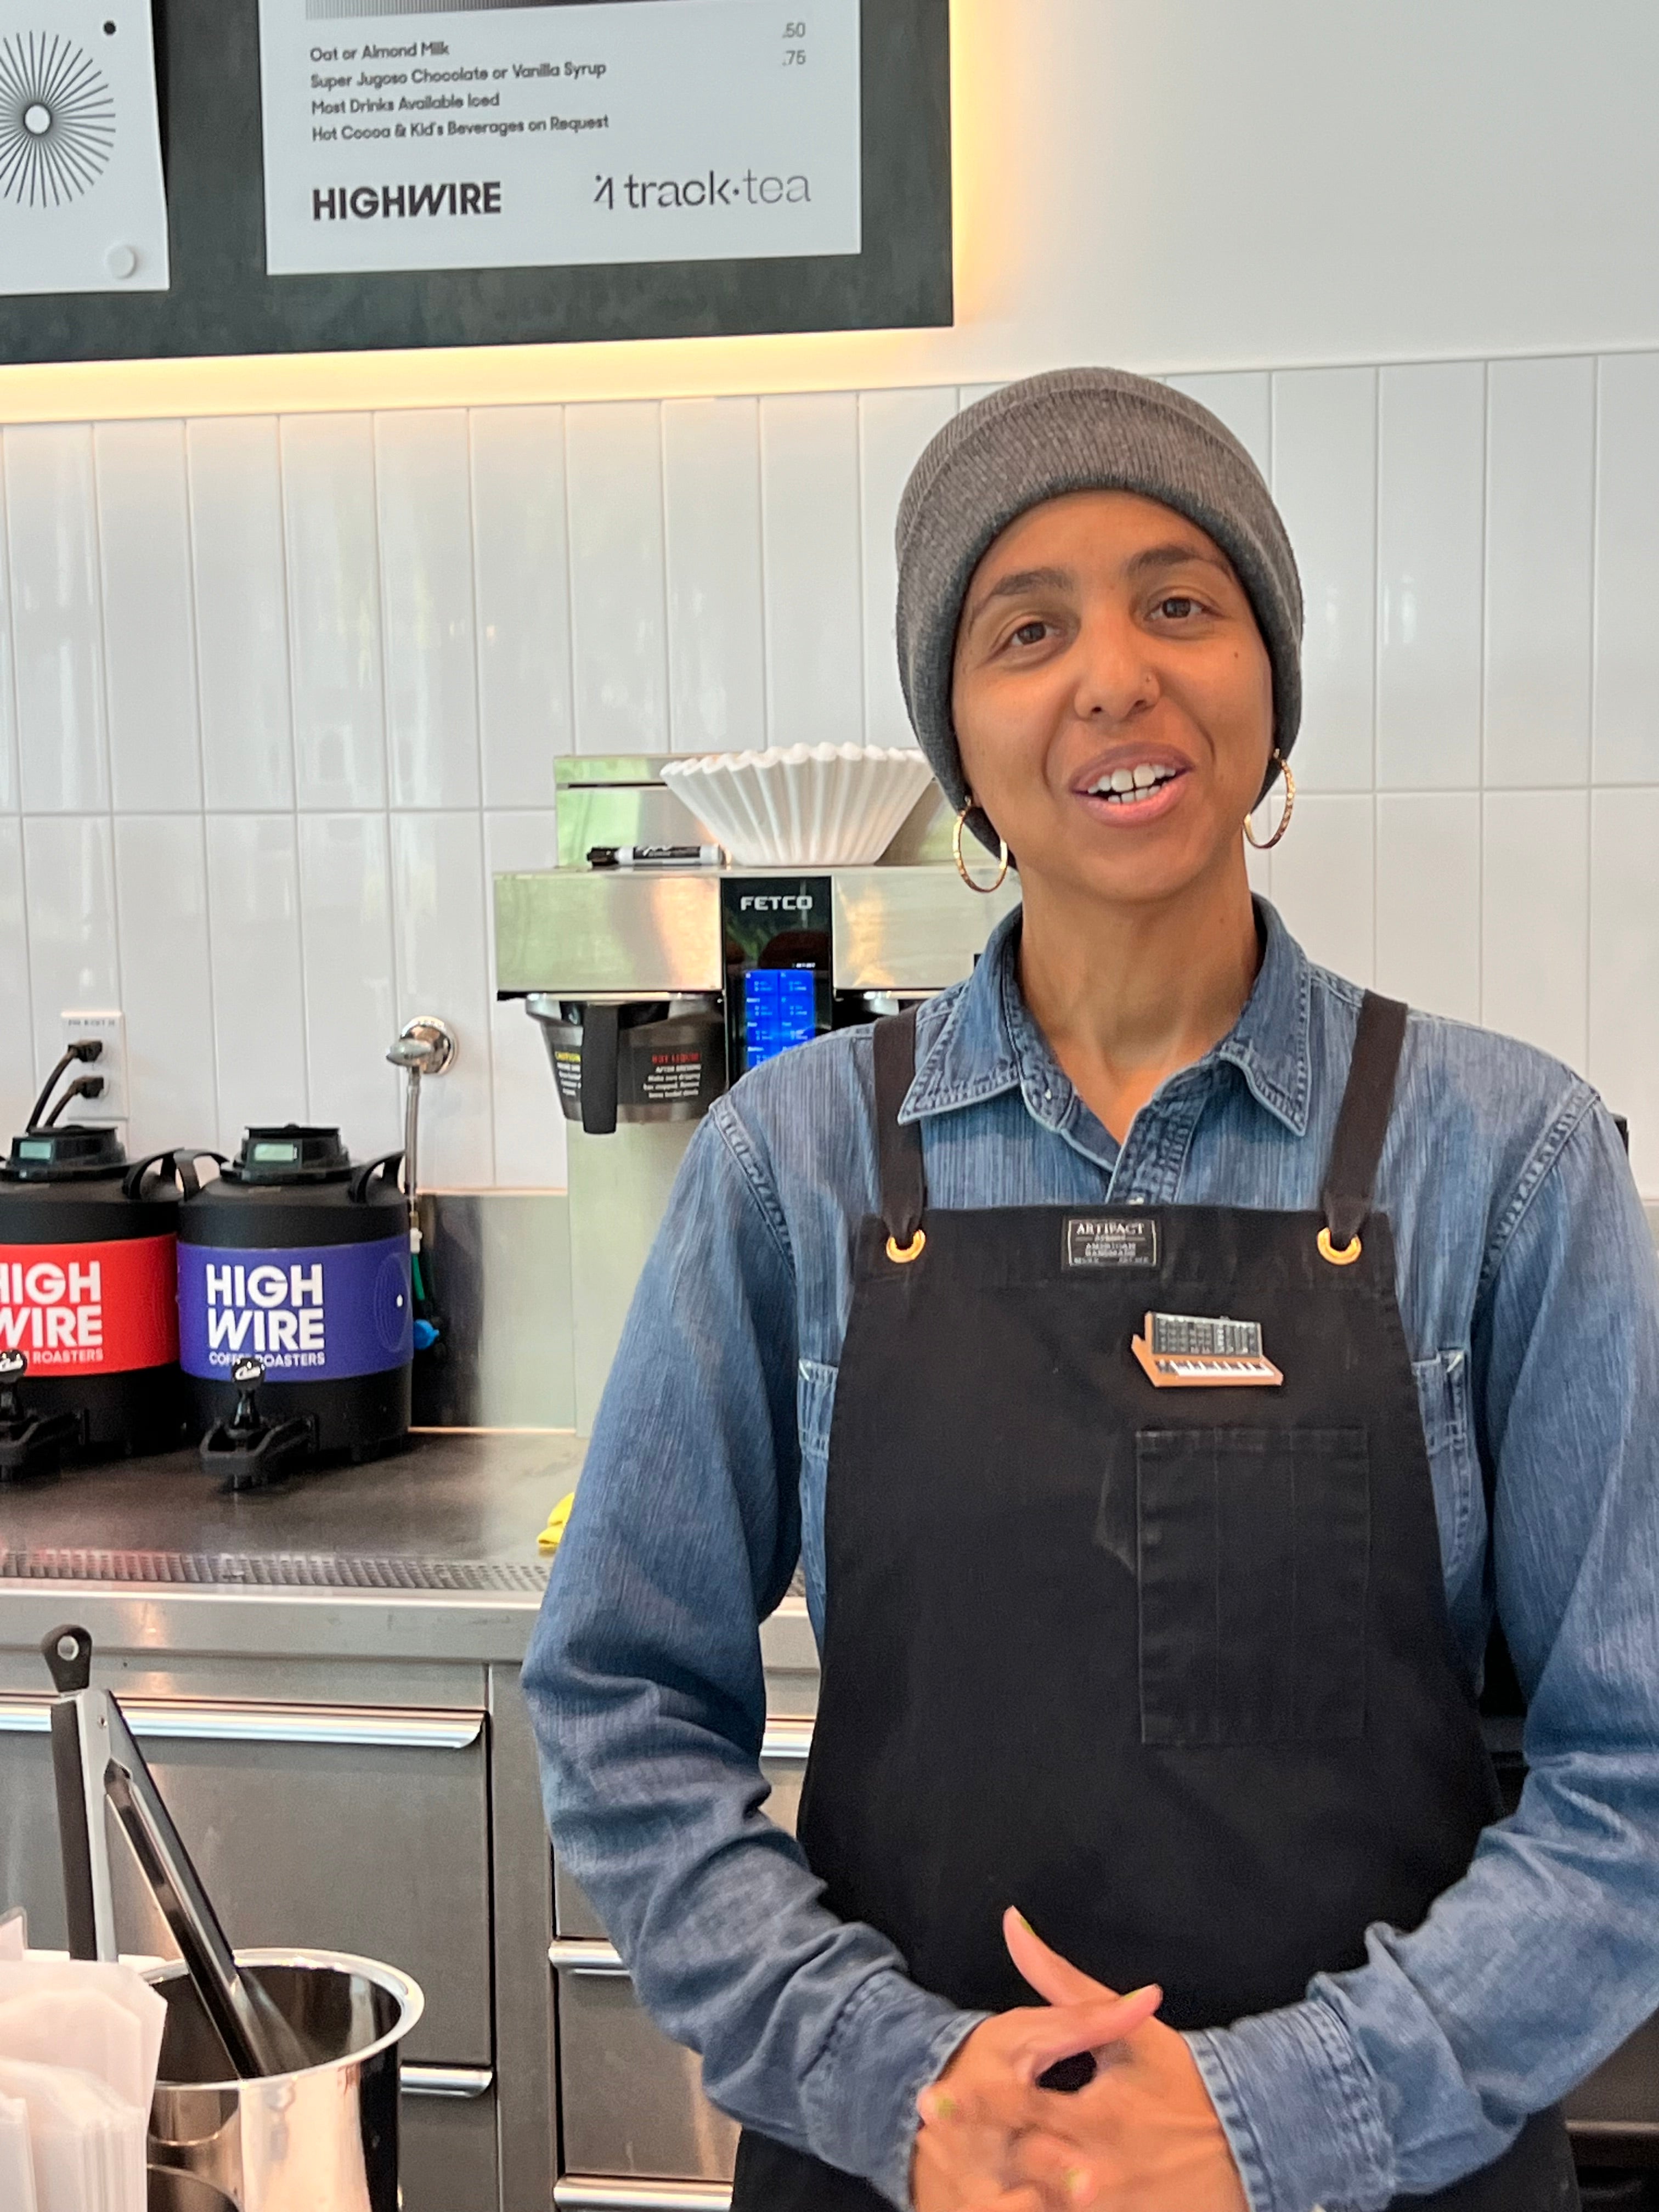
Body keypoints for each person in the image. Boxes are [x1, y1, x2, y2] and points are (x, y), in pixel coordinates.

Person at [523, 367, 1659, 2211]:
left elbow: (1636, 1780)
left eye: (1182, 603)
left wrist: (1269, 2118)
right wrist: (899, 2083)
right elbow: (617, 1705)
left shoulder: (1507, 1162)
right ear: (959, 749)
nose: (1115, 673)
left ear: (1270, 695)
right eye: (1026, 626)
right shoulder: (790, 1169)